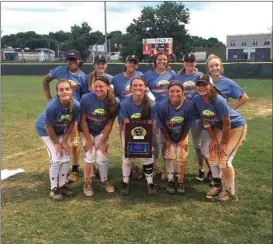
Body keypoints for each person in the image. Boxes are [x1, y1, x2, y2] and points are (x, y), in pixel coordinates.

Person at [193, 74, 247, 201]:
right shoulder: (196, 100)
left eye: (204, 84)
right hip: (219, 127)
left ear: (211, 86)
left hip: (236, 127)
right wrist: (213, 139)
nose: (201, 87)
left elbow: (227, 124)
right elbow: (205, 121)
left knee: (224, 161)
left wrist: (222, 142)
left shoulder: (218, 100)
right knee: (212, 156)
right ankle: (217, 186)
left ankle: (231, 193)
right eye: (199, 84)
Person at [201, 54, 249, 187]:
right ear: (208, 68)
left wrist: (231, 109)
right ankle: (216, 180)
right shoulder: (205, 82)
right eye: (211, 66)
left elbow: (244, 97)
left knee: (223, 154)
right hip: (215, 124)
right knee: (210, 151)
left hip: (227, 123)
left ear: (221, 67)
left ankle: (224, 185)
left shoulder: (227, 82)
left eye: (217, 65)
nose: (214, 68)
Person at [42, 50, 86, 183]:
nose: (72, 62)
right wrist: (49, 97)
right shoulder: (60, 70)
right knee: (59, 137)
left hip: (73, 111)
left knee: (74, 141)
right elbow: (45, 79)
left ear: (79, 61)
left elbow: (84, 95)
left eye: (75, 59)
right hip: (59, 109)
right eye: (70, 59)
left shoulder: (83, 77)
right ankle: (60, 166)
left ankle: (74, 168)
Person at [36, 79, 81, 200]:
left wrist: (65, 141)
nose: (65, 91)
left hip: (61, 130)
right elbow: (48, 126)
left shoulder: (76, 105)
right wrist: (56, 143)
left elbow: (72, 123)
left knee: (66, 156)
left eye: (67, 89)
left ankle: (62, 185)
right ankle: (53, 188)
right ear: (57, 92)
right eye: (61, 90)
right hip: (46, 131)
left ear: (71, 90)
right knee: (56, 158)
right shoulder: (52, 107)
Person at [174, 52, 211, 182]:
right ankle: (201, 169)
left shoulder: (201, 76)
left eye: (192, 61)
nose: (189, 63)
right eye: (187, 61)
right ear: (183, 63)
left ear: (195, 62)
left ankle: (211, 169)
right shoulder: (178, 77)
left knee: (203, 146)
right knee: (196, 146)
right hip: (185, 115)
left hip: (200, 115)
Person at [80, 76, 119, 196]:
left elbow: (109, 123)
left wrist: (102, 141)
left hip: (101, 130)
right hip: (86, 130)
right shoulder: (86, 98)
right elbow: (83, 121)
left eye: (101, 86)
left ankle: (104, 180)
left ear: (108, 87)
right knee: (90, 154)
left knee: (101, 155)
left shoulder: (114, 101)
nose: (98, 89)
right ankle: (87, 182)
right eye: (95, 86)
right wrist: (88, 139)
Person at [119, 77, 157, 196]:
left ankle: (150, 183)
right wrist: (128, 141)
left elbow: (150, 123)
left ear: (145, 87)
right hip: (129, 132)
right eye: (135, 85)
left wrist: (147, 140)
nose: (138, 88)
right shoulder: (125, 103)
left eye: (140, 85)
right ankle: (125, 182)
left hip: (146, 132)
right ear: (130, 88)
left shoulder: (152, 104)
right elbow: (126, 123)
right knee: (127, 156)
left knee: (147, 156)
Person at [143, 52, 176, 179]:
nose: (162, 61)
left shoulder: (172, 74)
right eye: (159, 59)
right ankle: (155, 166)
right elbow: (143, 90)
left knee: (167, 141)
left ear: (167, 61)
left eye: (164, 59)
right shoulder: (148, 75)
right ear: (155, 61)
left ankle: (166, 168)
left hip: (168, 112)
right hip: (153, 112)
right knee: (155, 141)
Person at [157, 81, 194, 194]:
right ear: (168, 92)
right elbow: (161, 124)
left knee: (182, 157)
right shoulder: (163, 105)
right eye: (172, 91)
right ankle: (170, 181)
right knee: (170, 156)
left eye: (178, 91)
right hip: (167, 133)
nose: (175, 94)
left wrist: (182, 138)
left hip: (182, 133)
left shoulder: (188, 105)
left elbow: (188, 123)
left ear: (183, 92)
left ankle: (181, 182)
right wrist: (167, 138)